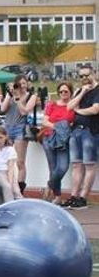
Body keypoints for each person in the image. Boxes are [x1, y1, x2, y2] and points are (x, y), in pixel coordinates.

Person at [62, 66, 99, 210]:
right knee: (76, 165)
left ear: (94, 74)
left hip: (90, 131)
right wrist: (82, 91)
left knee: (89, 165)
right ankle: (74, 196)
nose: (84, 78)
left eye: (86, 75)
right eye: (81, 76)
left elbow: (95, 109)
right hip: (75, 131)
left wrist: (80, 111)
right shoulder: (80, 90)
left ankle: (83, 198)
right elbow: (69, 106)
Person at [0, 75, 38, 195]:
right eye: (19, 84)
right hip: (8, 127)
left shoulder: (31, 96)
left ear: (27, 84)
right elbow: (3, 109)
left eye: (24, 83)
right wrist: (9, 95)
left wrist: (18, 99)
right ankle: (6, 186)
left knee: (20, 161)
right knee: (4, 159)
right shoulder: (11, 95)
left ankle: (20, 188)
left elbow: (24, 111)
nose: (22, 86)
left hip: (21, 128)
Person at [40, 82, 75, 204]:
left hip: (63, 140)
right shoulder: (52, 104)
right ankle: (58, 197)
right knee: (53, 168)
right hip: (49, 137)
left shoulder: (73, 106)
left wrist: (63, 129)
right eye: (61, 91)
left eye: (66, 91)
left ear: (70, 92)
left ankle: (49, 185)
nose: (63, 94)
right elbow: (44, 121)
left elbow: (73, 123)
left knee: (62, 167)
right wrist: (59, 127)